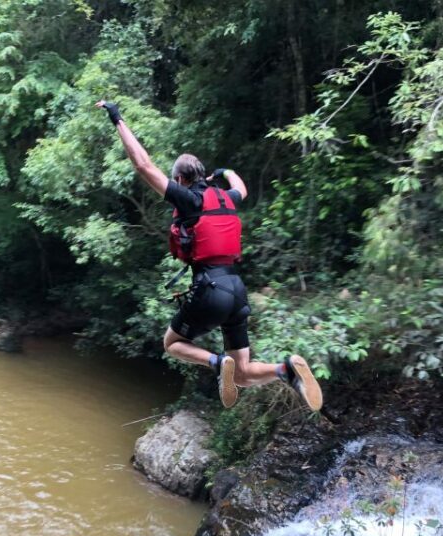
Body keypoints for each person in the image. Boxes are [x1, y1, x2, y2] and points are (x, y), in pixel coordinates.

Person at [96, 100, 322, 411]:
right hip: (236, 290)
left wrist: (117, 119)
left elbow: (143, 165)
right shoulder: (227, 199)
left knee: (172, 344)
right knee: (242, 375)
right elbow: (240, 186)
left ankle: (217, 363)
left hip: (210, 289)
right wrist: (225, 172)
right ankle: (285, 371)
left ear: (180, 180)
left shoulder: (187, 199)